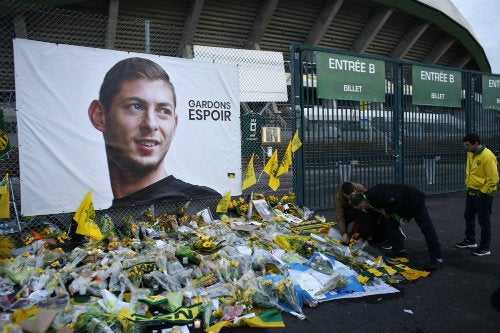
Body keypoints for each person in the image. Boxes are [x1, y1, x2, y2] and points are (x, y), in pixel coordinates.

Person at [88, 57, 221, 208]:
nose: (151, 124)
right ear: (99, 116)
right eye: (135, 107)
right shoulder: (88, 220)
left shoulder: (202, 203)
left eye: (164, 111)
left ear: (174, 124)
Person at [351, 184, 443, 269]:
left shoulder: (376, 194)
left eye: (360, 208)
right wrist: (363, 236)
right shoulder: (368, 203)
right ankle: (399, 250)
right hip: (400, 206)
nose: (362, 210)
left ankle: (437, 259)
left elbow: (397, 198)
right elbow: (370, 220)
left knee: (427, 229)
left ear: (362, 202)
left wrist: (387, 211)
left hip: (414, 202)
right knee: (390, 224)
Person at [454, 133, 498, 256]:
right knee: (468, 216)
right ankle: (470, 240)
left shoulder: (487, 156)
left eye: (468, 145)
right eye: (465, 145)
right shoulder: (470, 153)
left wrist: (482, 192)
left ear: (477, 144)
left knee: (484, 221)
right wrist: (467, 184)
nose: (466, 147)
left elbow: (493, 179)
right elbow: (470, 171)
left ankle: (485, 247)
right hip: (472, 191)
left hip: (483, 194)